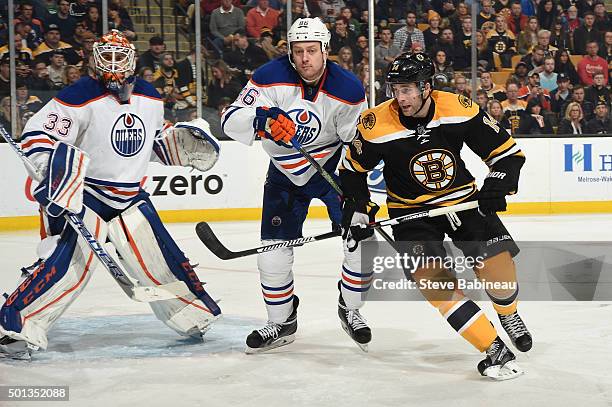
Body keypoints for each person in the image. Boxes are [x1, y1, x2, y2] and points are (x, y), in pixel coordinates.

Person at [0, 30, 222, 360]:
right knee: (72, 264)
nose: (115, 65)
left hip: (130, 196)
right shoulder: (78, 95)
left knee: (160, 257)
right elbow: (37, 135)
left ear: (133, 60)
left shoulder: (150, 96)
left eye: (121, 57)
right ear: (95, 60)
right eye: (108, 57)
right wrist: (50, 165)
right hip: (84, 194)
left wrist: (172, 145)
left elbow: (150, 144)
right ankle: (16, 323)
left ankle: (191, 314)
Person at [339, 52, 531, 380]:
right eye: (395, 89)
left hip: (463, 201)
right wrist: (359, 207)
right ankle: (492, 346)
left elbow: (508, 154)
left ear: (427, 87)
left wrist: (497, 184)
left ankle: (508, 313)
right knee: (436, 286)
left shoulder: (459, 108)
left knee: (500, 268)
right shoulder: (375, 124)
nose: (400, 97)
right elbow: (352, 171)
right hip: (410, 213)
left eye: (408, 89)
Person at [221, 18, 371, 353]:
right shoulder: (268, 77)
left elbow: (356, 142)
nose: (304, 58)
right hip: (284, 172)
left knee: (359, 237)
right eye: (298, 51)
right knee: (272, 254)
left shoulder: (348, 88)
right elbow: (230, 119)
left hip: (331, 168)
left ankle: (351, 309)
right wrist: (263, 122)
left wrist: (357, 190)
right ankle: (281, 321)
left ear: (325, 50)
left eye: (311, 51)